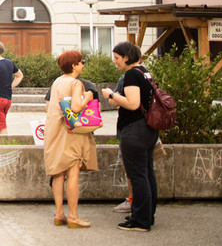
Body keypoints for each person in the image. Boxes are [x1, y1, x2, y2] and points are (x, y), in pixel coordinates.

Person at [101, 41, 158, 232]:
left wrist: (111, 95)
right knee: (147, 173)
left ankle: (140, 221)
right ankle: (147, 215)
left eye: (117, 58)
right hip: (148, 129)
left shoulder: (132, 74)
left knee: (137, 175)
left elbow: (133, 103)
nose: (115, 61)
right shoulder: (145, 72)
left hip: (134, 130)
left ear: (126, 57)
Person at [44, 49, 98, 229]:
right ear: (74, 65)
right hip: (70, 133)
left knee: (58, 172)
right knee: (72, 173)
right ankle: (73, 216)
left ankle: (59, 213)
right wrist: (87, 97)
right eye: (81, 62)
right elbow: (75, 107)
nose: (83, 65)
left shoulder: (57, 81)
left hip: (55, 131)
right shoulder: (76, 83)